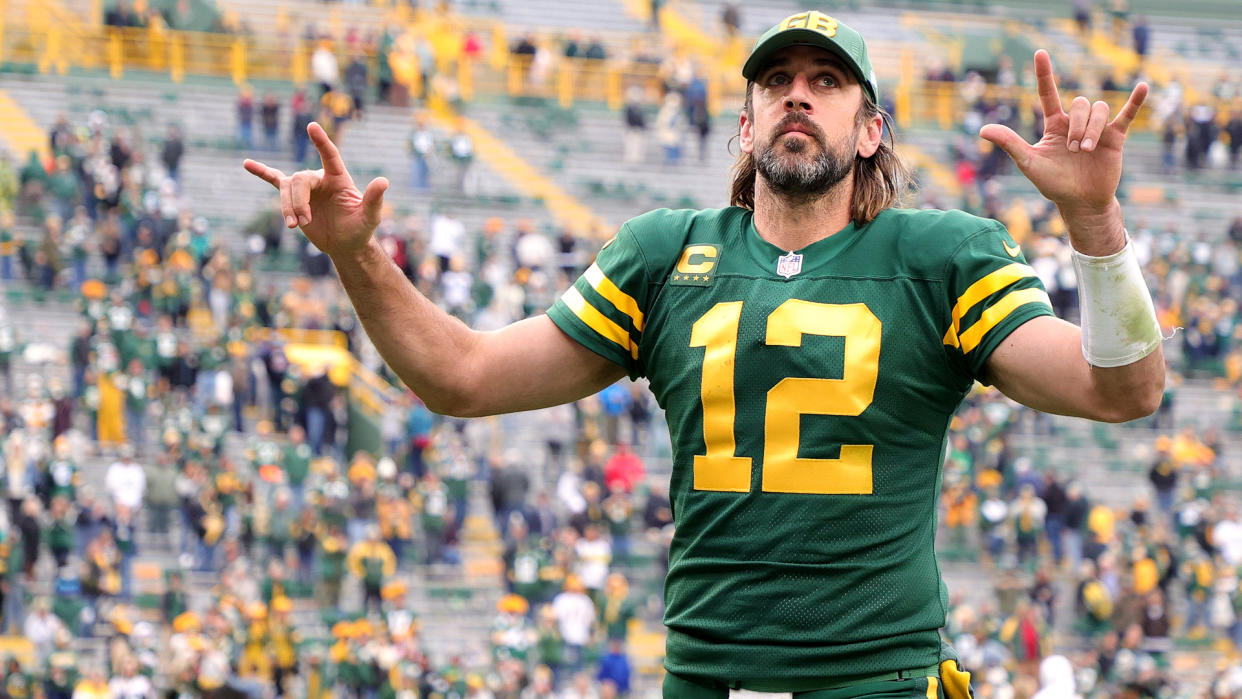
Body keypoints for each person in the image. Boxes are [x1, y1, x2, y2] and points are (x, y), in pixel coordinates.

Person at [244, 10, 1164, 696]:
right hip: (705, 672)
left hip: (873, 675)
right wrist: (357, 253)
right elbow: (462, 375)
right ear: (746, 123)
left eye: (827, 80)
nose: (797, 93)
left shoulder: (939, 256)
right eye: (776, 82)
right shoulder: (664, 254)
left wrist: (1092, 218)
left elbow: (1121, 391)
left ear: (872, 128)